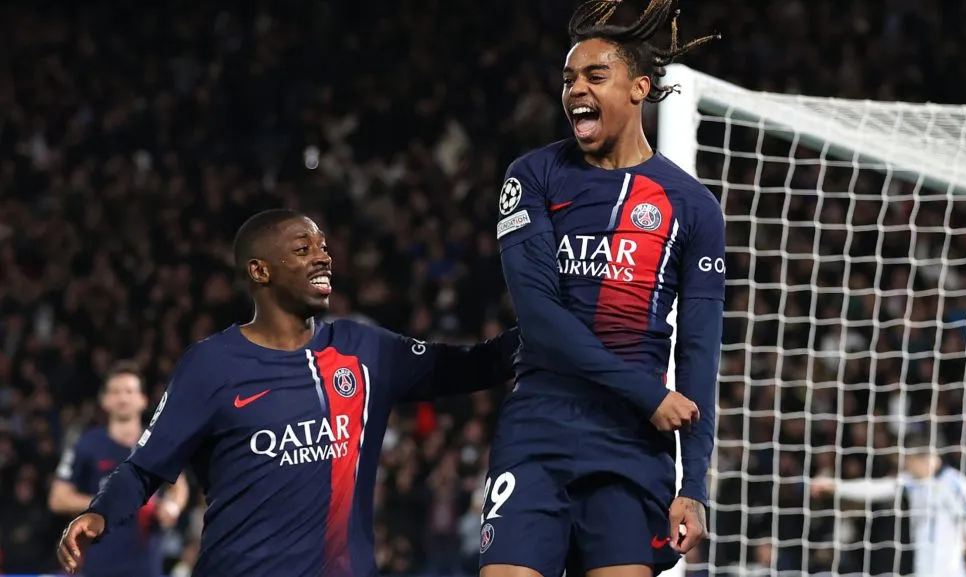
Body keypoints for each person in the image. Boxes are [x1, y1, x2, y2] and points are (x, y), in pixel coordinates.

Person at [56, 209, 519, 577]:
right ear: (260, 271)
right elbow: (144, 468)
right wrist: (98, 514)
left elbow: (471, 366)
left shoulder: (363, 350)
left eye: (323, 246)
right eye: (303, 249)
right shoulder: (211, 365)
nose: (323, 256)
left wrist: (555, 325)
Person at [480, 2, 724, 577]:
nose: (575, 90)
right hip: (540, 424)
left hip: (629, 445)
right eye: (568, 79)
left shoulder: (692, 206)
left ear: (639, 87)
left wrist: (695, 485)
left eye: (595, 76)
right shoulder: (533, 176)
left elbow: (698, 351)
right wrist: (648, 394)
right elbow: (538, 317)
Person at [49, 360, 190, 577]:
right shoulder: (86, 444)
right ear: (104, 400)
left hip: (145, 565)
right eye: (115, 392)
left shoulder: (157, 443)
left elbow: (179, 486)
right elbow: (58, 498)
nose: (123, 397)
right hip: (97, 564)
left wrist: (171, 508)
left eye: (129, 391)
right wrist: (110, 504)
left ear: (143, 399)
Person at [810, 433, 966, 577]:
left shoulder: (955, 484)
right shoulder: (913, 482)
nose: (906, 467)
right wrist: (836, 486)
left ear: (921, 459)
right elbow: (875, 488)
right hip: (923, 570)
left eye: (908, 462)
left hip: (950, 572)